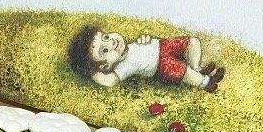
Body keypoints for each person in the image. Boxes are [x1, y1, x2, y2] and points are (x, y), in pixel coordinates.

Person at [68, 26, 225, 92]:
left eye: (106, 37)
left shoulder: (128, 45)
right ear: (105, 66)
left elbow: (142, 48)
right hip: (161, 65)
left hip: (163, 46)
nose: (111, 43)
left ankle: (197, 68)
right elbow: (110, 81)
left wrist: (145, 40)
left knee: (193, 42)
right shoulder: (123, 67)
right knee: (183, 71)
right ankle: (206, 82)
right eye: (104, 50)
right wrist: (92, 72)